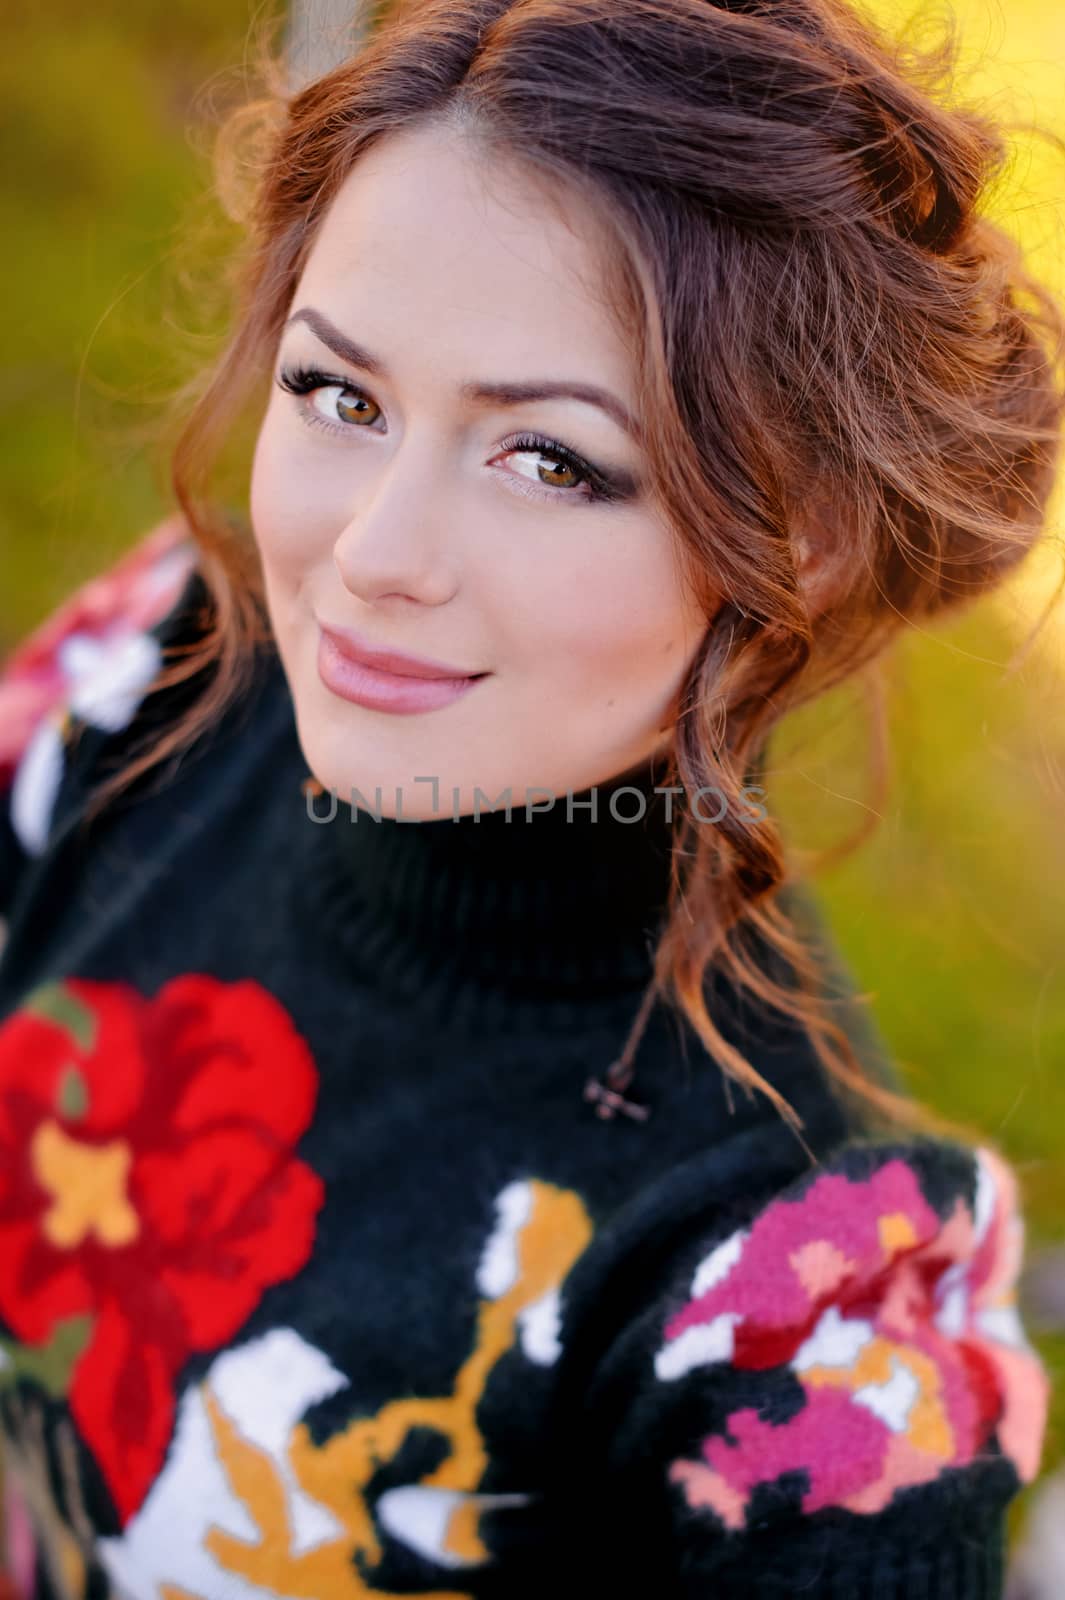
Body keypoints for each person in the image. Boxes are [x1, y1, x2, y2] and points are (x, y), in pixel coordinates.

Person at [0, 0, 1061, 1593]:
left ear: (806, 539)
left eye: (549, 461)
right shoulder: (147, 676)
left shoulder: (806, 1317)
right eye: (338, 396)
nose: (371, 558)